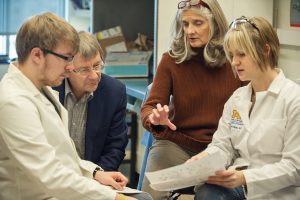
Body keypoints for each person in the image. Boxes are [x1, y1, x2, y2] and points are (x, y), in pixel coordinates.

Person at [0, 12, 152, 200]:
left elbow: (64, 156)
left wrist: (95, 173)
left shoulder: (41, 89)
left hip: (62, 188)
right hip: (42, 194)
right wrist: (114, 198)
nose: (69, 67)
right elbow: (51, 175)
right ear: (37, 55)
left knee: (143, 197)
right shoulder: (14, 102)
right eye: (66, 58)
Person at [189, 16, 300, 200]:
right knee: (208, 193)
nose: (234, 62)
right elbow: (223, 145)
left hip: (276, 192)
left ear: (265, 50)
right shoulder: (237, 99)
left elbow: (295, 167)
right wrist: (205, 159)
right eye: (232, 55)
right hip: (238, 188)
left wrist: (245, 178)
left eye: (241, 54)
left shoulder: (293, 99)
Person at [140, 0, 242, 198]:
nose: (189, 31)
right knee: (150, 193)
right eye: (185, 24)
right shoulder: (171, 60)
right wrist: (154, 118)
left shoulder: (234, 60)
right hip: (178, 145)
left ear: (215, 25)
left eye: (198, 23)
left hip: (222, 148)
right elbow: (150, 106)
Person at [53, 31, 128, 171]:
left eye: (97, 66)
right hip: (55, 174)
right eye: (84, 70)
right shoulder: (50, 87)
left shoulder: (114, 92)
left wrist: (97, 176)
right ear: (68, 69)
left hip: (95, 176)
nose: (94, 76)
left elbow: (115, 147)